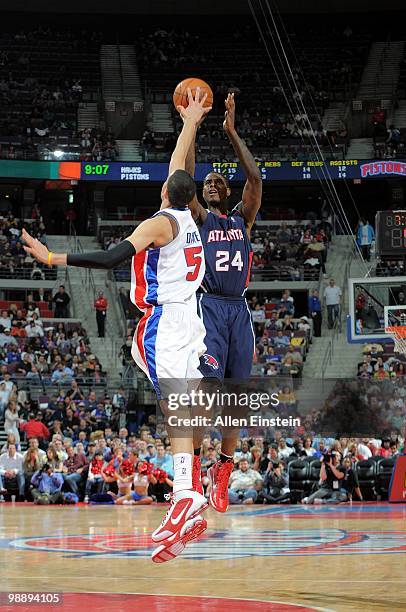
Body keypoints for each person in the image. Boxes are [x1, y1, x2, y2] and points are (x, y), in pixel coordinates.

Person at [22, 88, 211, 564]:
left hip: (166, 320)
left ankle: (186, 497)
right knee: (183, 404)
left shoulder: (160, 222)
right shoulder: (188, 214)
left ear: (166, 191)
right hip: (193, 317)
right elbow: (179, 162)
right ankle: (190, 492)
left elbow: (110, 257)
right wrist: (190, 121)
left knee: (172, 404)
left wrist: (53, 256)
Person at [184, 94, 262, 513]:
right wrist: (192, 126)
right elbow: (187, 175)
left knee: (236, 399)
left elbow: (256, 181)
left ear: (227, 191)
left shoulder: (241, 220)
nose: (211, 184)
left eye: (218, 182)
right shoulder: (202, 219)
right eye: (207, 182)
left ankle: (224, 468)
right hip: (209, 307)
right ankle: (195, 467)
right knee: (206, 390)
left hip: (239, 310)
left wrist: (232, 131)